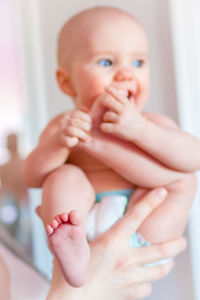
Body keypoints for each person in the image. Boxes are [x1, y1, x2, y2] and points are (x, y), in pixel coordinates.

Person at [23, 6, 199, 288]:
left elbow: (194, 157)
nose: (126, 75)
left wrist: (140, 130)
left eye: (139, 63)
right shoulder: (65, 126)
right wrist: (58, 144)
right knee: (62, 176)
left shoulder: (151, 123)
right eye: (107, 63)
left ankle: (81, 249)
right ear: (66, 82)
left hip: (143, 233)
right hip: (85, 227)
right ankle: (70, 241)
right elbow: (31, 176)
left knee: (184, 181)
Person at [45, 189, 187, 300]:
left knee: (62, 177)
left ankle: (76, 264)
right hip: (139, 237)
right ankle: (76, 266)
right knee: (182, 184)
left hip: (86, 223)